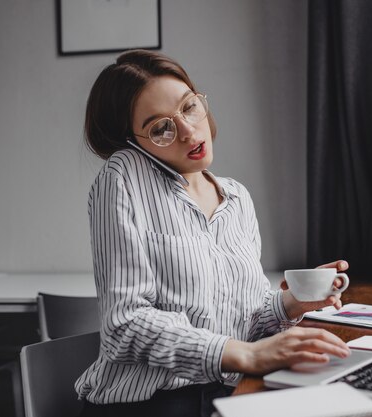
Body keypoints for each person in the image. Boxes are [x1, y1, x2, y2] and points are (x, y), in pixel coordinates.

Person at [75, 49, 351, 417]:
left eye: (189, 107)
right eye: (161, 128)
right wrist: (246, 354)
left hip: (229, 392)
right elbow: (124, 324)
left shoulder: (236, 197)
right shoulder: (122, 176)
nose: (188, 132)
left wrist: (291, 304)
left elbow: (241, 320)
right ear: (133, 143)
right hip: (151, 405)